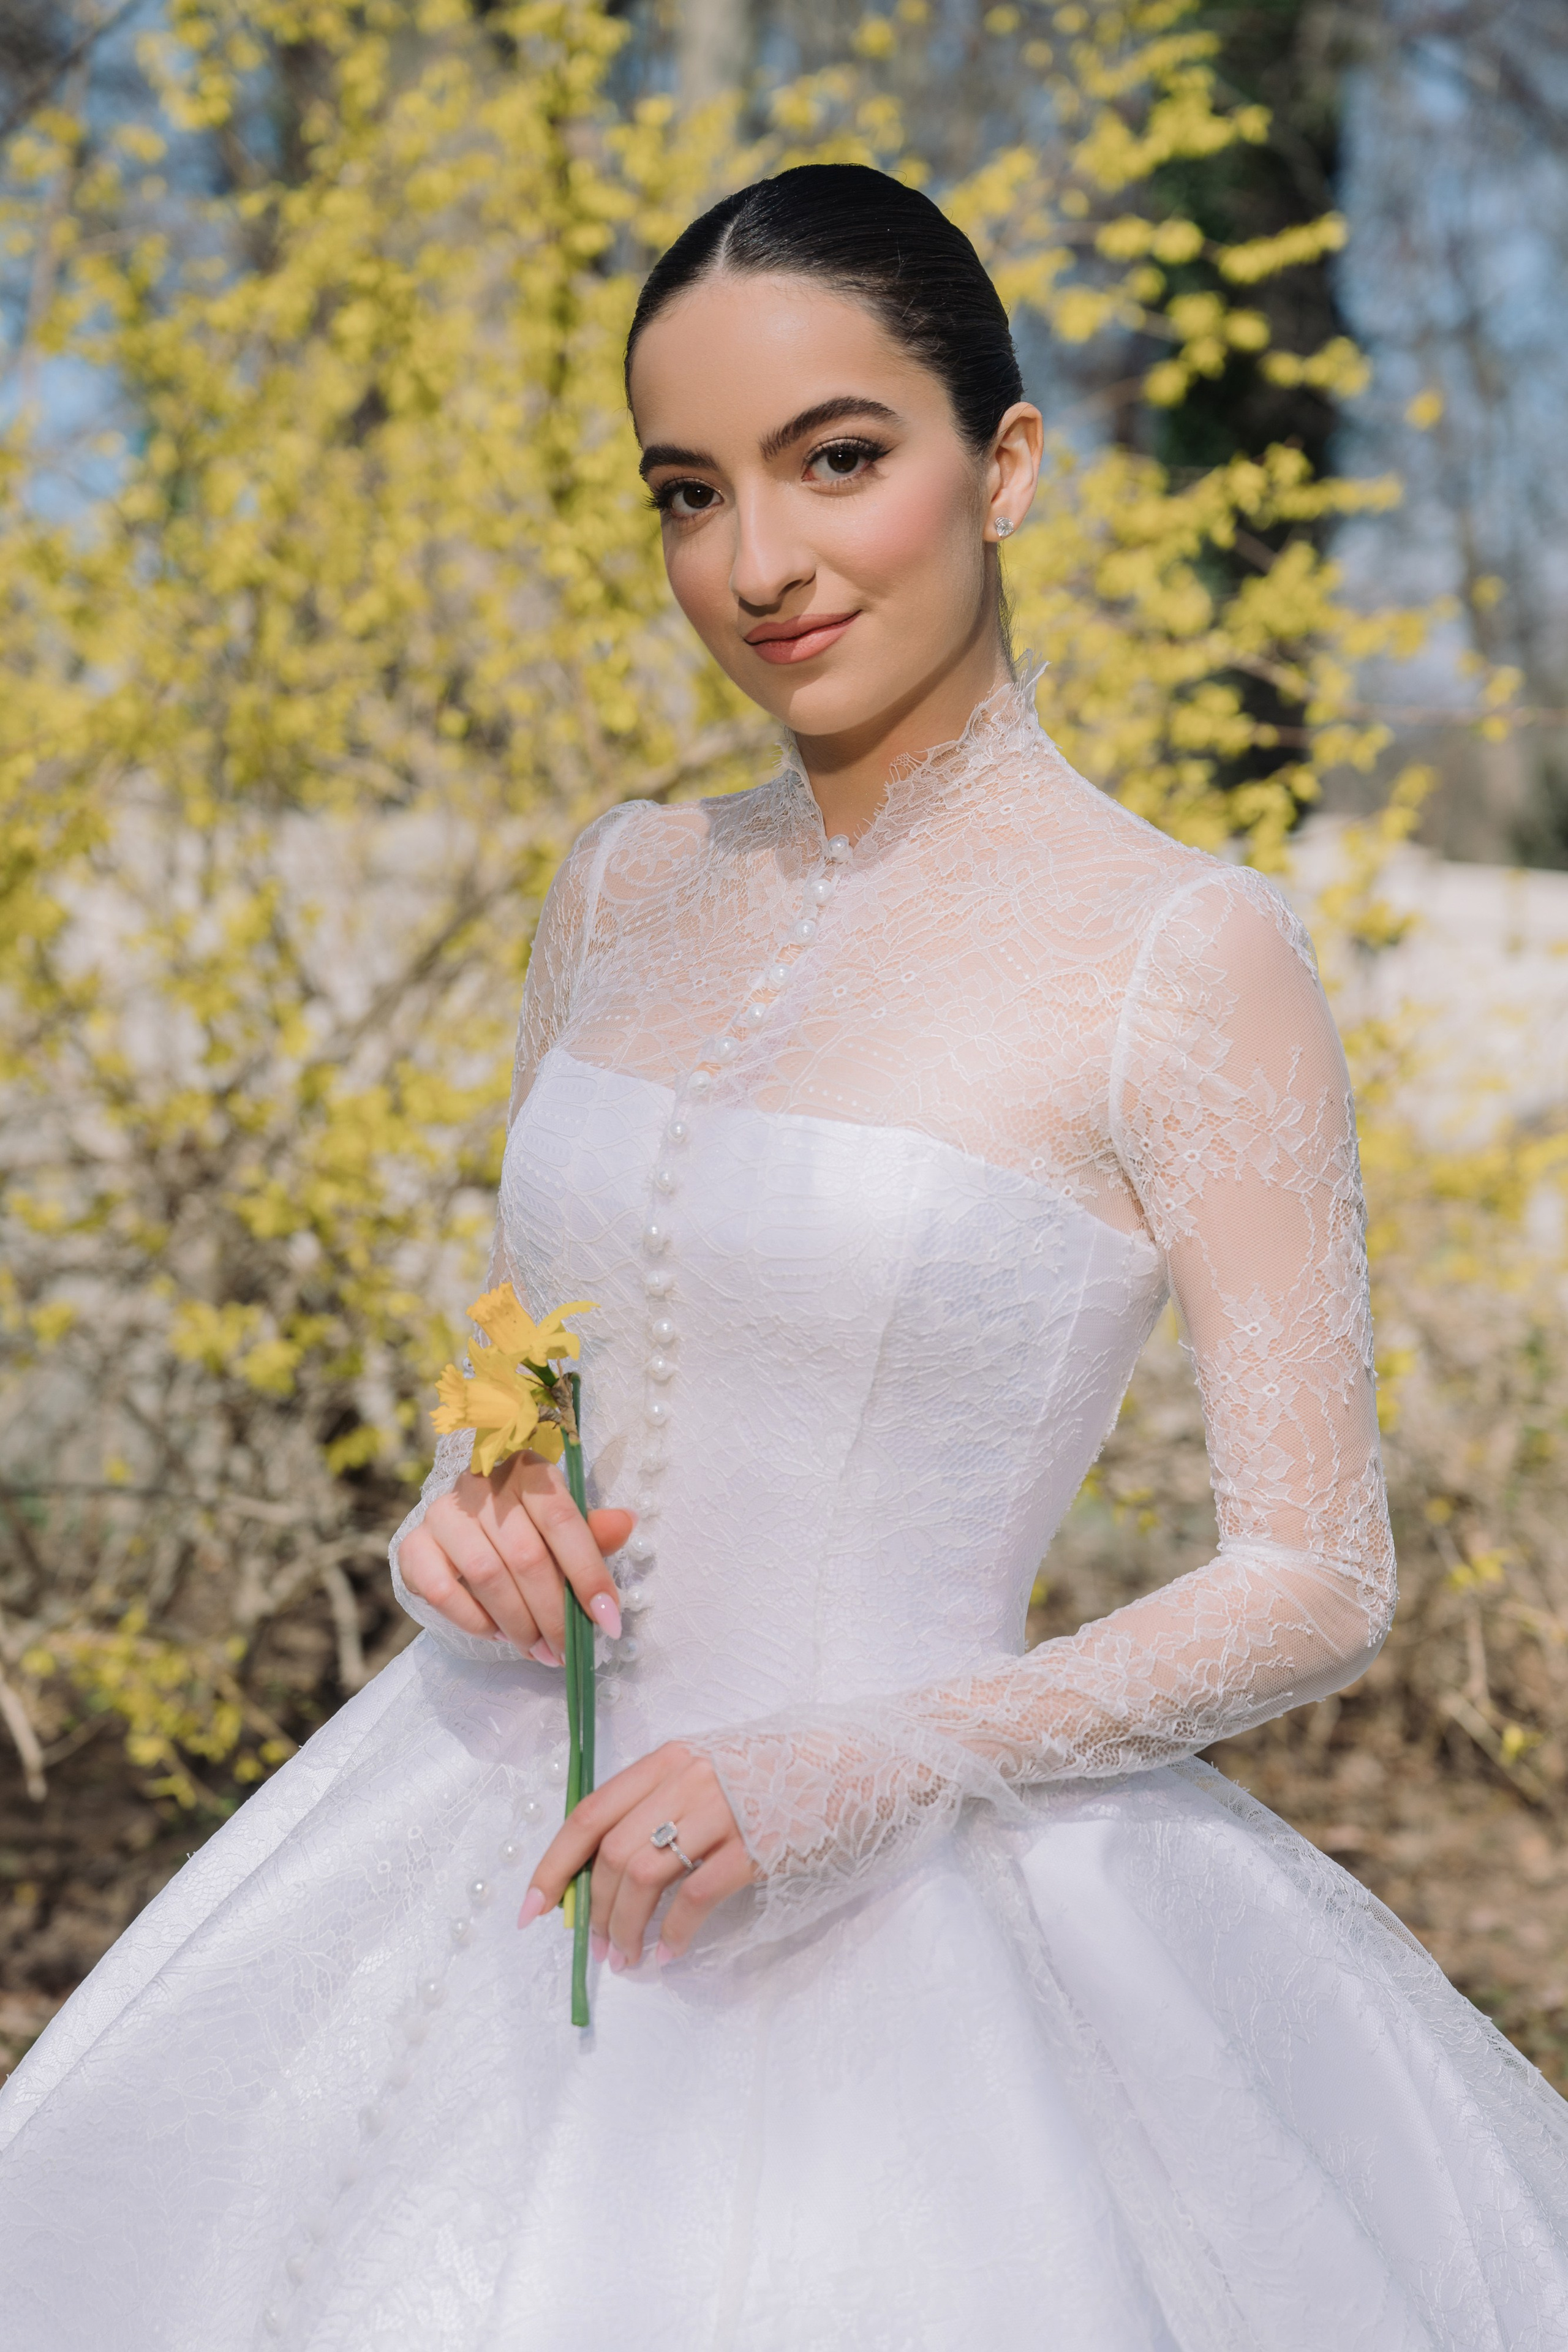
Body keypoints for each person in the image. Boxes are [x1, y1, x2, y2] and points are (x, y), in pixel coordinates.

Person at [2, 161, 1566, 2352]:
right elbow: (540, 1359)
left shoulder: (1180, 956)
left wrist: (880, 1761)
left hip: (896, 1919)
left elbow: (1318, 1574)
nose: (757, 564)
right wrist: (472, 1516)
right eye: (687, 491)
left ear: (1003, 462)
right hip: (465, 1834)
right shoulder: (620, 885)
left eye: (839, 460)